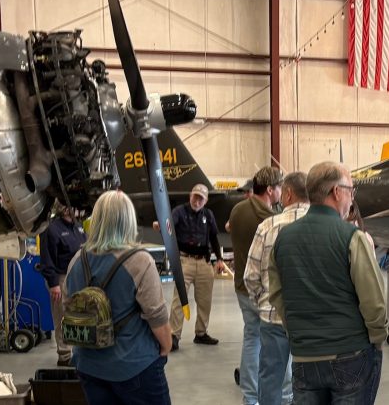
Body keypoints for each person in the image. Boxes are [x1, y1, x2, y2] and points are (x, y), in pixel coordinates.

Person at [269, 161, 386, 404]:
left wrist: (298, 332)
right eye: (351, 191)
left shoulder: (283, 239)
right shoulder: (352, 237)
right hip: (350, 354)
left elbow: (277, 295)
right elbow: (373, 301)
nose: (351, 199)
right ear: (336, 192)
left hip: (304, 358)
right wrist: (377, 339)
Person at [64, 190, 172, 405]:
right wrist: (166, 346)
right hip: (134, 366)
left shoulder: (78, 259)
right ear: (128, 221)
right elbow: (157, 317)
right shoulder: (140, 261)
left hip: (89, 366)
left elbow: (69, 305)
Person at [244, 172, 310, 405]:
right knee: (309, 382)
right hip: (311, 321)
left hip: (273, 319)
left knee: (270, 378)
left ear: (289, 193)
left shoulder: (268, 226)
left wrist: (263, 302)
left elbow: (250, 276)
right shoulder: (323, 226)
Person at [228, 166, 282, 405]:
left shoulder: (238, 209)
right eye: (279, 187)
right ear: (270, 190)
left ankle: (250, 397)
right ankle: (271, 393)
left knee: (251, 338)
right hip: (262, 291)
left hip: (241, 285)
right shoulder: (269, 220)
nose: (282, 191)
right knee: (273, 343)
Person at [166, 184, 225, 351]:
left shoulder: (208, 215)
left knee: (205, 300)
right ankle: (174, 336)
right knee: (179, 300)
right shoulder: (179, 211)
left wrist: (219, 259)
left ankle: (201, 333)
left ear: (205, 201)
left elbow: (214, 237)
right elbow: (169, 226)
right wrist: (162, 226)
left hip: (204, 262)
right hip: (185, 261)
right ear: (190, 196)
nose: (197, 201)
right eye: (195, 197)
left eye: (201, 198)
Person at [39, 201, 87, 367]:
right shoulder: (51, 229)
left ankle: (77, 351)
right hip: (61, 279)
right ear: (65, 208)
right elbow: (46, 260)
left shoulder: (78, 227)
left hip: (78, 277)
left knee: (77, 317)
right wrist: (53, 284)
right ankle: (64, 356)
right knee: (62, 318)